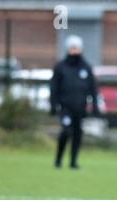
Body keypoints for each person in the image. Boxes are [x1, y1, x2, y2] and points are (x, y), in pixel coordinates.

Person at [50, 35, 99, 169]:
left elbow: (93, 89)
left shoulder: (86, 68)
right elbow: (54, 87)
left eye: (77, 48)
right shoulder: (60, 67)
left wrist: (95, 105)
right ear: (68, 49)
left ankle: (73, 162)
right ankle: (58, 159)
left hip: (80, 108)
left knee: (77, 134)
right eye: (72, 48)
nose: (75, 51)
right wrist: (53, 104)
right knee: (66, 131)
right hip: (65, 108)